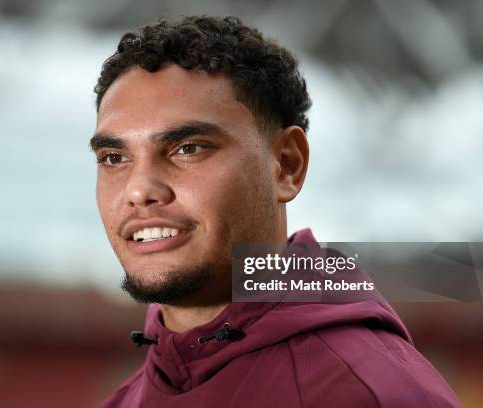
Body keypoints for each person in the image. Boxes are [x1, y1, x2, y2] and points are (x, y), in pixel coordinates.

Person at [90, 15, 462, 407]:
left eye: (189, 148)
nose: (139, 190)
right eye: (114, 157)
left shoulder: (372, 392)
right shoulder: (128, 398)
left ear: (286, 164)